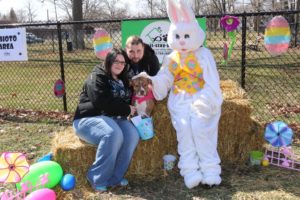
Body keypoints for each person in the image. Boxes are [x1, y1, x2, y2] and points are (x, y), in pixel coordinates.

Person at [73, 48, 140, 192]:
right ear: (108, 61)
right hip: (89, 118)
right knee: (112, 134)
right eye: (116, 61)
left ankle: (114, 178)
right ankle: (97, 178)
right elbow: (102, 102)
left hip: (114, 118)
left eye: (123, 62)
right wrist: (126, 109)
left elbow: (127, 101)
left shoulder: (122, 78)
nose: (120, 65)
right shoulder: (97, 76)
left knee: (132, 135)